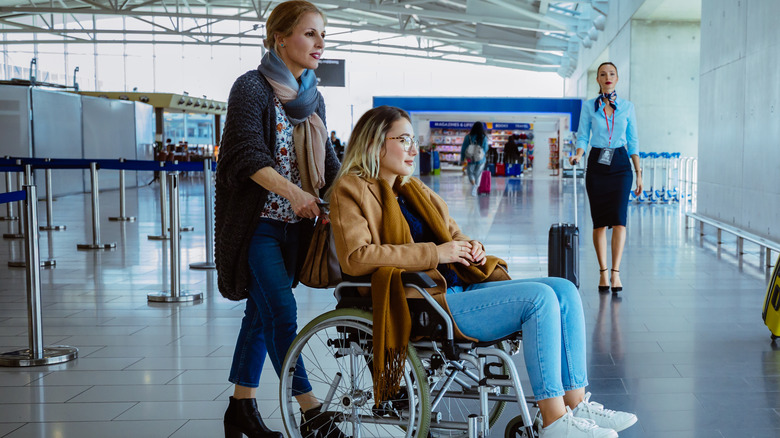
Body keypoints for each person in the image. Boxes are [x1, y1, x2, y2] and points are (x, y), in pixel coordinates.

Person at [328, 106, 638, 438]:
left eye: (413, 139)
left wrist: (468, 246)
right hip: (426, 300)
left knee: (563, 289)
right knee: (539, 300)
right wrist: (437, 252)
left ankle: (575, 404)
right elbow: (357, 257)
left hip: (459, 285)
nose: (414, 149)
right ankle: (554, 421)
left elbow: (452, 233)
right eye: (403, 140)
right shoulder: (352, 189)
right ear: (375, 143)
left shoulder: (413, 190)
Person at [214, 2, 343, 437]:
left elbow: (328, 163)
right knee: (282, 313)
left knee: (261, 312)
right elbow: (244, 156)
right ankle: (311, 411)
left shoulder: (312, 95)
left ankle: (240, 408)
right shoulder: (250, 88)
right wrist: (294, 193)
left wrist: (360, 194)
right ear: (280, 38)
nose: (320, 44)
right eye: (310, 34)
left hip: (297, 228)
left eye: (322, 35)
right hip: (257, 225)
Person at [569, 62, 643, 293]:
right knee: (599, 222)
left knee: (620, 219)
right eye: (603, 74)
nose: (607, 77)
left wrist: (639, 174)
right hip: (597, 163)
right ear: (598, 80)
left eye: (611, 73)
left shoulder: (628, 107)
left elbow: (633, 142)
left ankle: (616, 273)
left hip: (621, 164)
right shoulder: (590, 107)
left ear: (617, 78)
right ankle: (603, 272)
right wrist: (578, 155)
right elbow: (582, 136)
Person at [459, 121, 489, 195]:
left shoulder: (468, 137)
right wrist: (480, 154)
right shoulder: (484, 137)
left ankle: (473, 185)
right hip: (481, 159)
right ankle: (476, 187)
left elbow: (463, 148)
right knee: (478, 174)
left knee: (470, 173)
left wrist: (462, 159)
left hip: (470, 159)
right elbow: (485, 149)